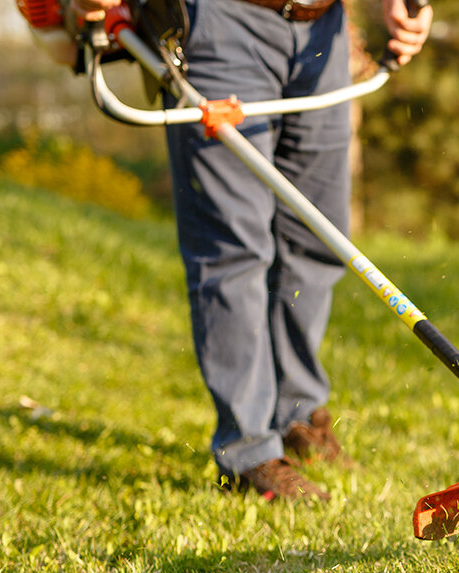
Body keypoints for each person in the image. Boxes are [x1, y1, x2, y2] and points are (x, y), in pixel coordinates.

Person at [70, 0, 433, 500]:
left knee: (315, 237)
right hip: (219, 23)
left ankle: (297, 416)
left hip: (322, 29)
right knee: (233, 247)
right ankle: (248, 453)